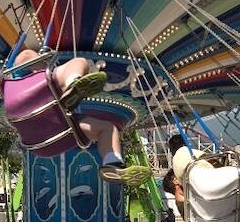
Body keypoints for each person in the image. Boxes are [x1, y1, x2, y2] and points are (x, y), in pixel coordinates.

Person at [8, 48, 147, 184]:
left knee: (108, 128)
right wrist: (47, 64)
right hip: (47, 119)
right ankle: (72, 85)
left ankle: (113, 164)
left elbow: (23, 57)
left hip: (41, 141)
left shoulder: (13, 83)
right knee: (80, 62)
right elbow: (25, 56)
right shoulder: (38, 79)